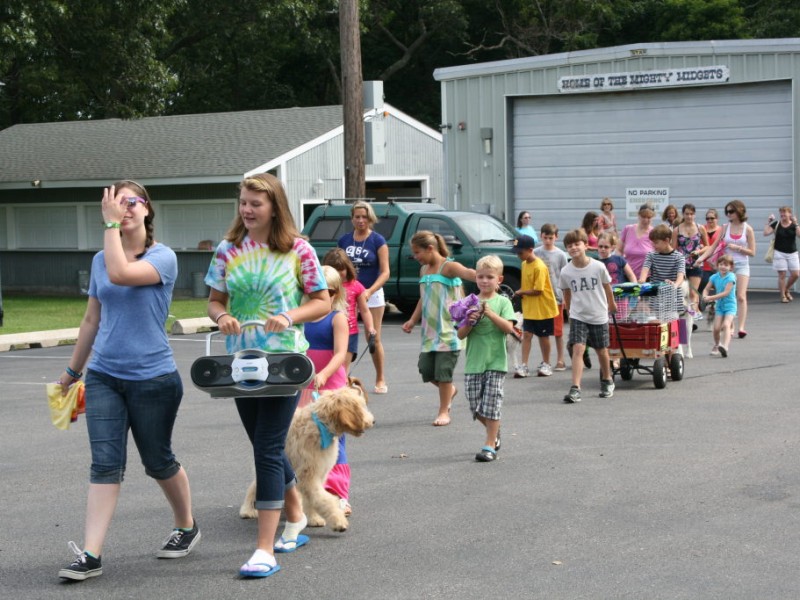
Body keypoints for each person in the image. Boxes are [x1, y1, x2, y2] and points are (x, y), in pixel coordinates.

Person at [57, 181, 199, 581]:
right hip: (104, 376)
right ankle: (91, 554)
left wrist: (109, 223)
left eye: (132, 202)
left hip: (154, 378)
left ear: (148, 209)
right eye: (117, 203)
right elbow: (91, 319)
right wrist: (72, 371)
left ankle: (186, 526)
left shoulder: (164, 258)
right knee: (105, 464)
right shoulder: (101, 258)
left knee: (158, 461)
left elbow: (122, 273)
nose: (125, 209)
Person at [205, 173, 329, 578]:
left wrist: (288, 315)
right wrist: (222, 315)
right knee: (267, 446)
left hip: (284, 363)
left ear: (275, 206)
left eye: (255, 203)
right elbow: (214, 299)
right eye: (243, 202)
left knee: (266, 447)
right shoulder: (227, 249)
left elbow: (322, 302)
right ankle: (295, 516)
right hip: (240, 362)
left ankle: (264, 550)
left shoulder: (299, 250)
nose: (247, 209)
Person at [401, 230, 476, 426]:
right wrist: (411, 320)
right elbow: (423, 298)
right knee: (425, 370)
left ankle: (444, 411)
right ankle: (449, 390)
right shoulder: (424, 270)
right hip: (429, 332)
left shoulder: (448, 267)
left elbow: (467, 273)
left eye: (418, 252)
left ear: (430, 248)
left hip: (448, 331)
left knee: (444, 374)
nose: (415, 257)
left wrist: (486, 277)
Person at [302, 265, 354, 516]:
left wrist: (323, 374)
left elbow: (340, 353)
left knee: (334, 439)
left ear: (335, 293)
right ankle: (309, 493)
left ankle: (339, 494)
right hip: (303, 384)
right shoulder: (301, 316)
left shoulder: (337, 318)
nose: (321, 297)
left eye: (328, 291)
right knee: (307, 440)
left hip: (331, 385)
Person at [456, 255, 515, 462]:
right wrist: (469, 322)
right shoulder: (468, 303)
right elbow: (460, 334)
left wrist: (490, 314)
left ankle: (489, 445)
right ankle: (494, 430)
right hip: (474, 362)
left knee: (492, 403)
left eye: (489, 277)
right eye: (480, 276)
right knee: (475, 406)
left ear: (499, 279)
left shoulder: (502, 302)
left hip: (496, 362)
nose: (484, 281)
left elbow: (509, 328)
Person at [558, 229, 617, 403]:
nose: (574, 248)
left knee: (601, 350)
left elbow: (607, 286)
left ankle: (607, 379)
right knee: (578, 348)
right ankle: (575, 387)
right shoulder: (566, 271)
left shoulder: (598, 266)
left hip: (598, 313)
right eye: (570, 245)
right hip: (578, 315)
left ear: (585, 245)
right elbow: (566, 293)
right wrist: (569, 311)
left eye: (577, 244)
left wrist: (611, 304)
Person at [337, 201, 390, 394]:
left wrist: (369, 291)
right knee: (344, 332)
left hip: (371, 293)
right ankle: (342, 378)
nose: (360, 220)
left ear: (370, 218)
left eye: (364, 217)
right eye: (357, 216)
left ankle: (380, 378)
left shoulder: (378, 240)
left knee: (373, 336)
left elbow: (385, 272)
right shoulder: (344, 240)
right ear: (352, 218)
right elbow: (338, 266)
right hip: (347, 292)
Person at [696, 199, 755, 338]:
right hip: (726, 266)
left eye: (731, 211)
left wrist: (739, 248)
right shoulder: (725, 227)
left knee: (740, 296)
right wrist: (700, 258)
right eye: (727, 212)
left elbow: (752, 252)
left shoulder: (748, 229)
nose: (728, 214)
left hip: (741, 264)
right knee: (727, 295)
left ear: (739, 211)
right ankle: (730, 325)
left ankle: (741, 327)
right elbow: (713, 247)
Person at [512, 234, 559, 377]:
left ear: (530, 249)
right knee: (526, 335)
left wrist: (521, 292)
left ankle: (546, 363)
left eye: (520, 252)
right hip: (530, 308)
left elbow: (538, 290)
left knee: (543, 337)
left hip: (543, 308)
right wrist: (521, 293)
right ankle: (524, 365)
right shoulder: (524, 264)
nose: (518, 255)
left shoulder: (539, 266)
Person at [323, 248, 376, 373]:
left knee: (343, 370)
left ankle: (342, 389)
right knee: (327, 366)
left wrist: (370, 328)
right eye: (334, 269)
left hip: (350, 332)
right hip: (327, 330)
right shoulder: (323, 285)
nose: (338, 273)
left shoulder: (355, 285)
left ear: (347, 268)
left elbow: (364, 310)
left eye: (341, 269)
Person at [536, 224, 569, 371]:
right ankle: (546, 360)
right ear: (541, 236)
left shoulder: (561, 255)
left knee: (558, 331)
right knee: (543, 331)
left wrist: (566, 297)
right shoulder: (536, 253)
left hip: (556, 296)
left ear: (556, 237)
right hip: (541, 296)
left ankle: (560, 359)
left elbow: (565, 276)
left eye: (551, 238)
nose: (548, 240)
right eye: (545, 237)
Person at [672, 203, 709, 318]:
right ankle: (686, 313)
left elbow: (708, 246)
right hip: (682, 264)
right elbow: (673, 248)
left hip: (696, 263)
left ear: (695, 215)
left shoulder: (700, 228)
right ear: (683, 214)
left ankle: (693, 315)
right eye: (687, 214)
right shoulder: (677, 229)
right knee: (683, 291)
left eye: (691, 214)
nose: (689, 216)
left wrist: (698, 252)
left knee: (693, 292)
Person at [638, 224, 686, 307]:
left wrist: (675, 285)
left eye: (656, 242)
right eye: (652, 243)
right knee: (654, 320)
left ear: (666, 240)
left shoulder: (679, 257)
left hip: (673, 300)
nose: (653, 245)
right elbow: (645, 270)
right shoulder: (651, 255)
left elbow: (680, 276)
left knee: (672, 320)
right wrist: (641, 281)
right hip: (655, 300)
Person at [702, 254, 737, 357]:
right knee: (716, 328)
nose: (723, 267)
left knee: (726, 325)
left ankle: (725, 347)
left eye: (726, 265)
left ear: (731, 267)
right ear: (717, 265)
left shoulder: (731, 277)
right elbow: (706, 289)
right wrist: (704, 296)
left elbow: (726, 293)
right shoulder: (714, 277)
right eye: (721, 264)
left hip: (730, 305)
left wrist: (710, 298)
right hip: (720, 306)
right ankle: (717, 345)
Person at [763, 207, 800, 303]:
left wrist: (796, 223)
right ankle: (783, 295)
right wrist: (768, 222)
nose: (783, 215)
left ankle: (787, 289)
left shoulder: (793, 225)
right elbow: (766, 233)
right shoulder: (777, 224)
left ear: (790, 214)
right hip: (779, 252)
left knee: (796, 274)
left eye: (784, 213)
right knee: (782, 275)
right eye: (781, 213)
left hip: (792, 252)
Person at [618, 204, 655, 279]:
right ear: (638, 215)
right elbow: (618, 250)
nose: (645, 220)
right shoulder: (628, 229)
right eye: (643, 217)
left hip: (647, 277)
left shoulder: (654, 232)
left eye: (649, 217)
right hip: (627, 275)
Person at [698, 208, 721, 297]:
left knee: (719, 286)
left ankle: (715, 304)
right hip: (704, 263)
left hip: (717, 263)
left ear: (717, 219)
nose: (710, 220)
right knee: (702, 285)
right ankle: (702, 304)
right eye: (707, 218)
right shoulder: (702, 229)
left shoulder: (721, 230)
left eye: (712, 218)